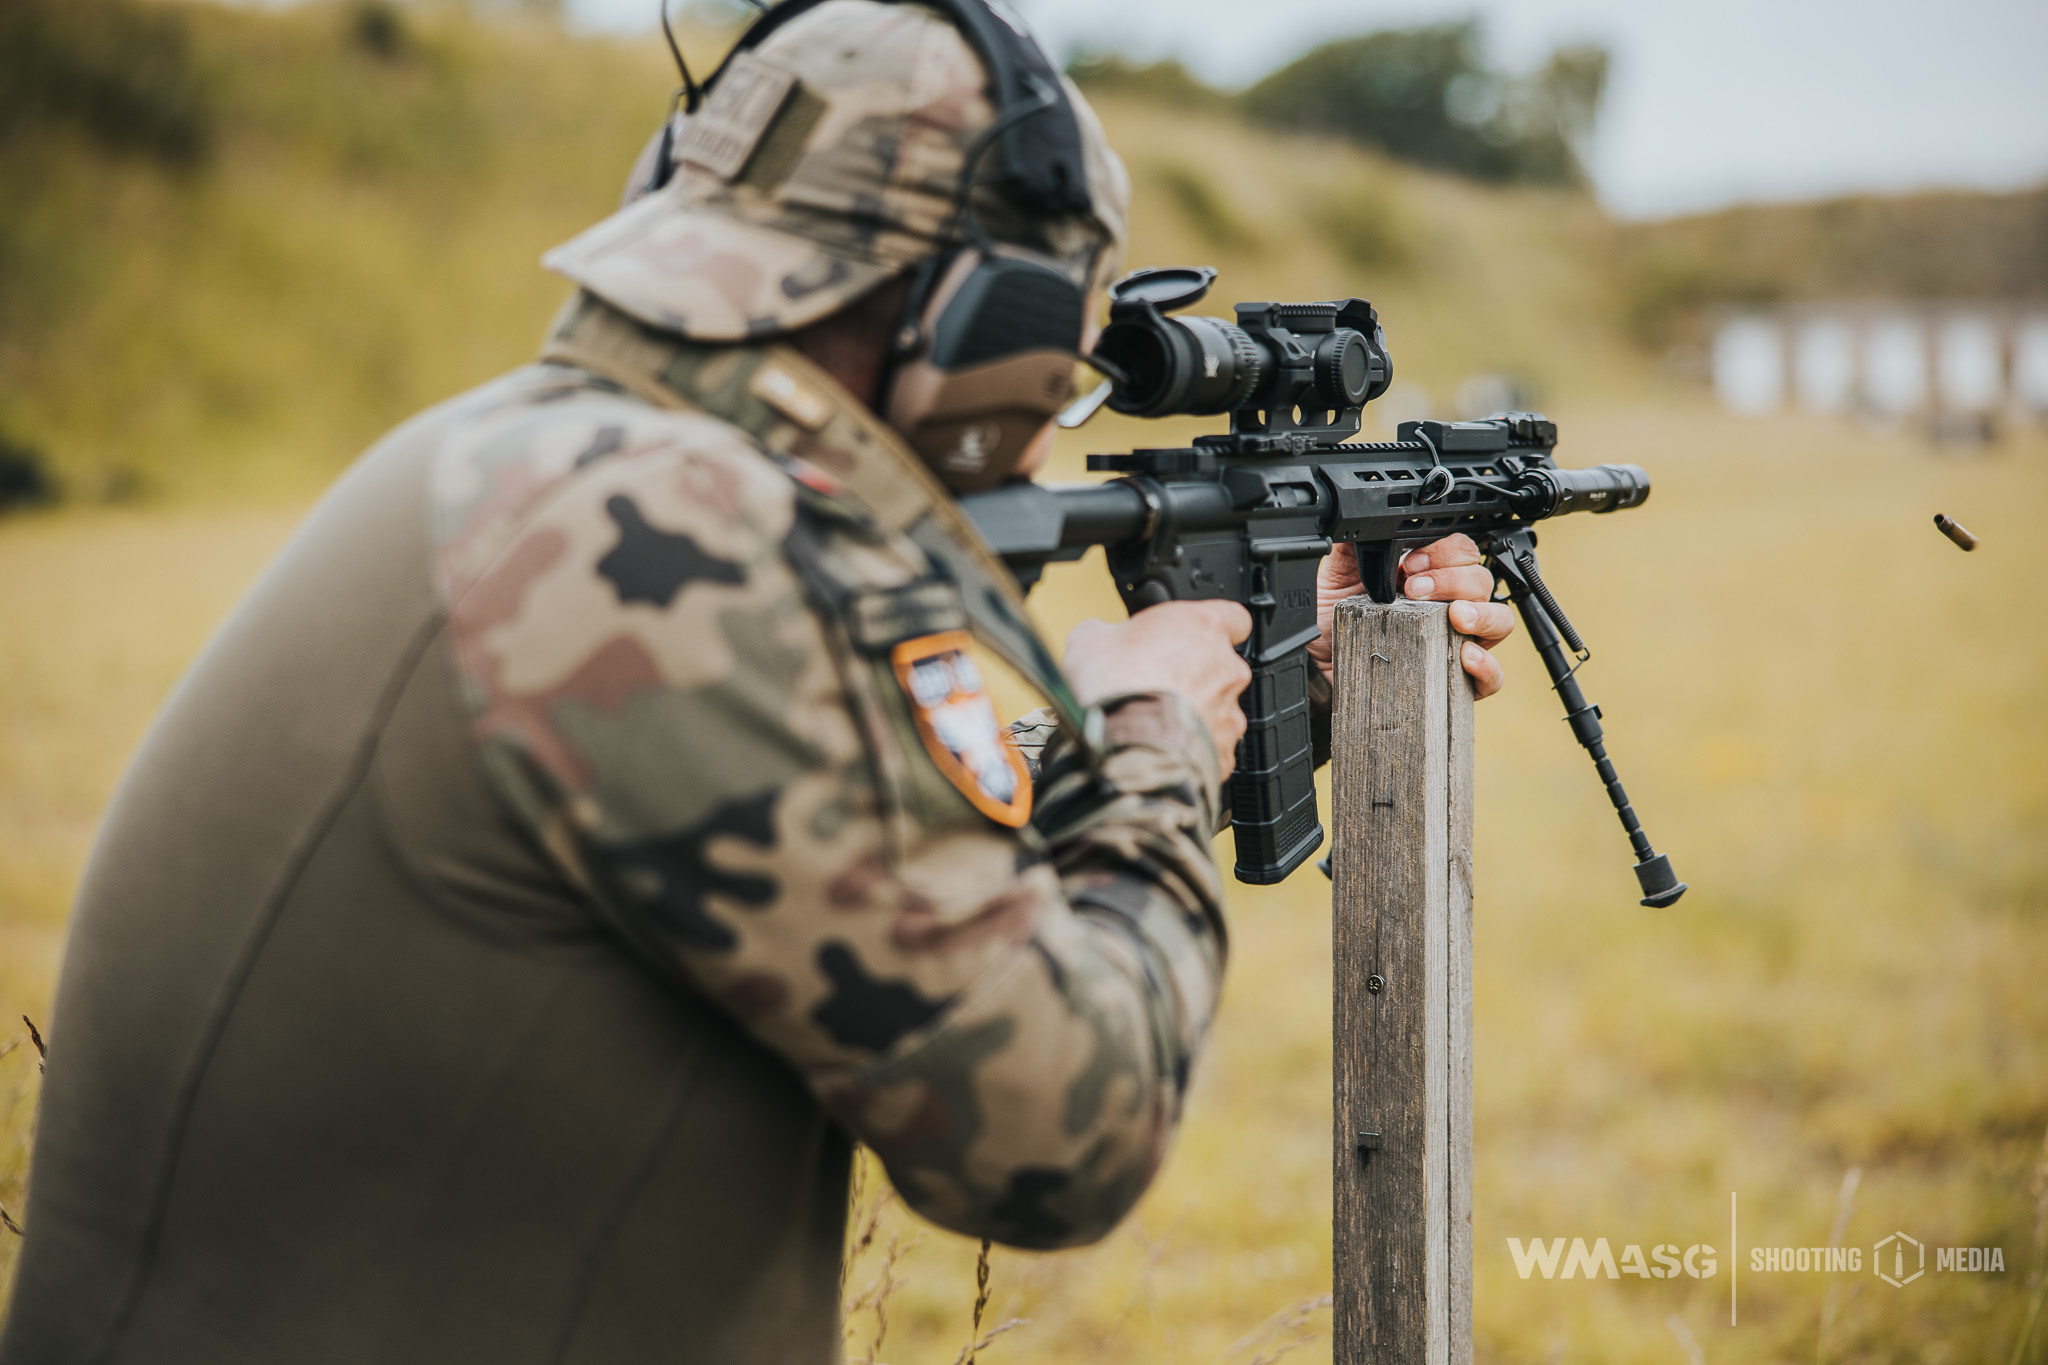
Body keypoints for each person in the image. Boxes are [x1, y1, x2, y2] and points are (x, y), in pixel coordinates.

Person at [0, 1, 1514, 1360]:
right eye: (1054, 361)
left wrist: (1243, 662)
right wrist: (1152, 737)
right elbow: (1062, 1132)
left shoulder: (550, 467)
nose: (1051, 426)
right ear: (967, 327)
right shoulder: (662, 541)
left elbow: (805, 834)